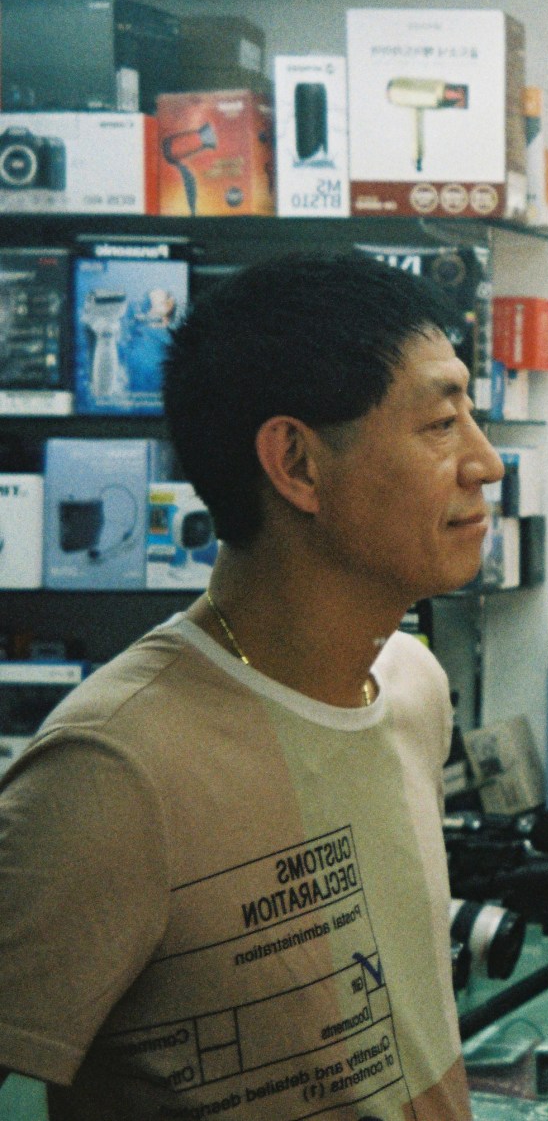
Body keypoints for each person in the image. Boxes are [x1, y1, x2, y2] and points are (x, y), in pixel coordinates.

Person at [0, 252, 500, 1120]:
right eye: (439, 424)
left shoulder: (412, 686)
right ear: (297, 463)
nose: (486, 463)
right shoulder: (114, 769)